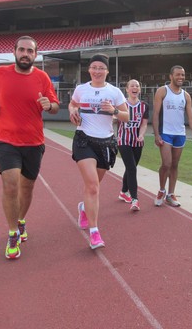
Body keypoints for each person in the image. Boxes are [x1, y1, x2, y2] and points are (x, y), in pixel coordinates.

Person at [0, 35, 60, 260]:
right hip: (6, 140)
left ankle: (21, 220)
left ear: (35, 55)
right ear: (14, 51)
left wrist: (49, 105)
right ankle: (12, 233)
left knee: (27, 187)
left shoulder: (42, 78)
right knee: (10, 185)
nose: (25, 54)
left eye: (30, 51)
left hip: (34, 142)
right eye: (22, 50)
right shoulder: (0, 73)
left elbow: (54, 106)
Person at [69, 53, 129, 249]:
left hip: (105, 144)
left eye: (101, 68)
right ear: (89, 70)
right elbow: (73, 104)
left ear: (107, 71)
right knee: (93, 186)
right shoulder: (81, 89)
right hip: (84, 140)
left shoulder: (114, 92)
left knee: (93, 186)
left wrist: (113, 111)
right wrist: (72, 111)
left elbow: (126, 116)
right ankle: (95, 233)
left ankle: (83, 208)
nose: (97, 71)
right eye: (94, 67)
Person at [152, 65, 192, 207]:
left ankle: (171, 194)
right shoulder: (162, 91)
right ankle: (161, 190)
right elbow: (155, 114)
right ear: (171, 76)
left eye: (183, 75)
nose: (181, 77)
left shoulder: (185, 96)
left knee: (174, 165)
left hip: (180, 134)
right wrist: (156, 135)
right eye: (178, 74)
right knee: (166, 163)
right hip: (165, 133)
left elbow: (191, 117)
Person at [117, 79, 149, 212]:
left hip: (138, 142)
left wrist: (141, 134)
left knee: (131, 167)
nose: (134, 88)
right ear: (127, 89)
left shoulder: (144, 106)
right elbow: (114, 118)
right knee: (132, 169)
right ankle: (135, 199)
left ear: (139, 89)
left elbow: (144, 123)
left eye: (137, 86)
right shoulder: (121, 104)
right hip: (123, 140)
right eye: (132, 86)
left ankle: (123, 192)